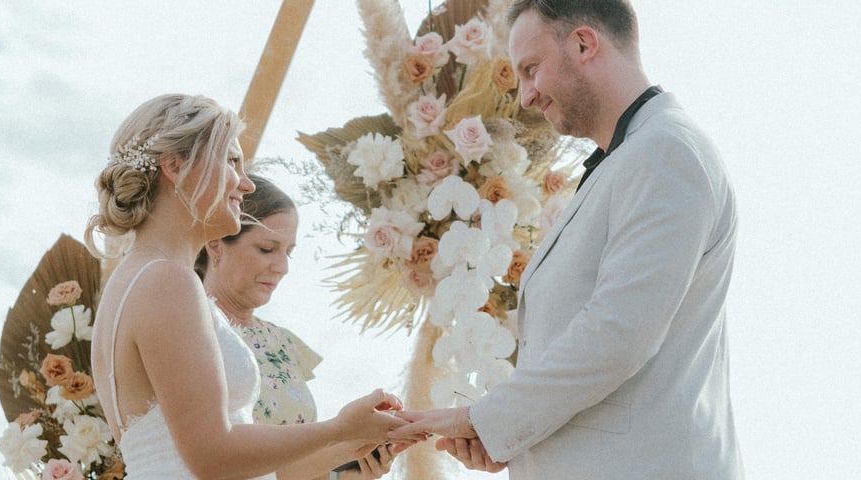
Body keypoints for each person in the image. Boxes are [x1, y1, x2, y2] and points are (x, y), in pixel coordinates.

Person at [389, 1, 745, 478]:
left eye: (531, 70)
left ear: (583, 43)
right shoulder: (631, 158)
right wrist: (512, 440)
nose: (525, 97)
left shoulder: (665, 152)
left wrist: (488, 421)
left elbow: (618, 332)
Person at [87, 94, 413, 480]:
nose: (244, 184)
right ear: (174, 166)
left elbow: (219, 459)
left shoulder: (140, 279)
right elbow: (213, 457)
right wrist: (338, 427)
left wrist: (353, 441)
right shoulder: (167, 281)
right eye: (231, 161)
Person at [197, 174, 397, 480]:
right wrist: (343, 437)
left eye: (288, 252)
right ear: (216, 243)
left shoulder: (283, 343)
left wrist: (351, 465)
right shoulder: (191, 332)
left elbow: (287, 471)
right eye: (267, 248)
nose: (283, 266)